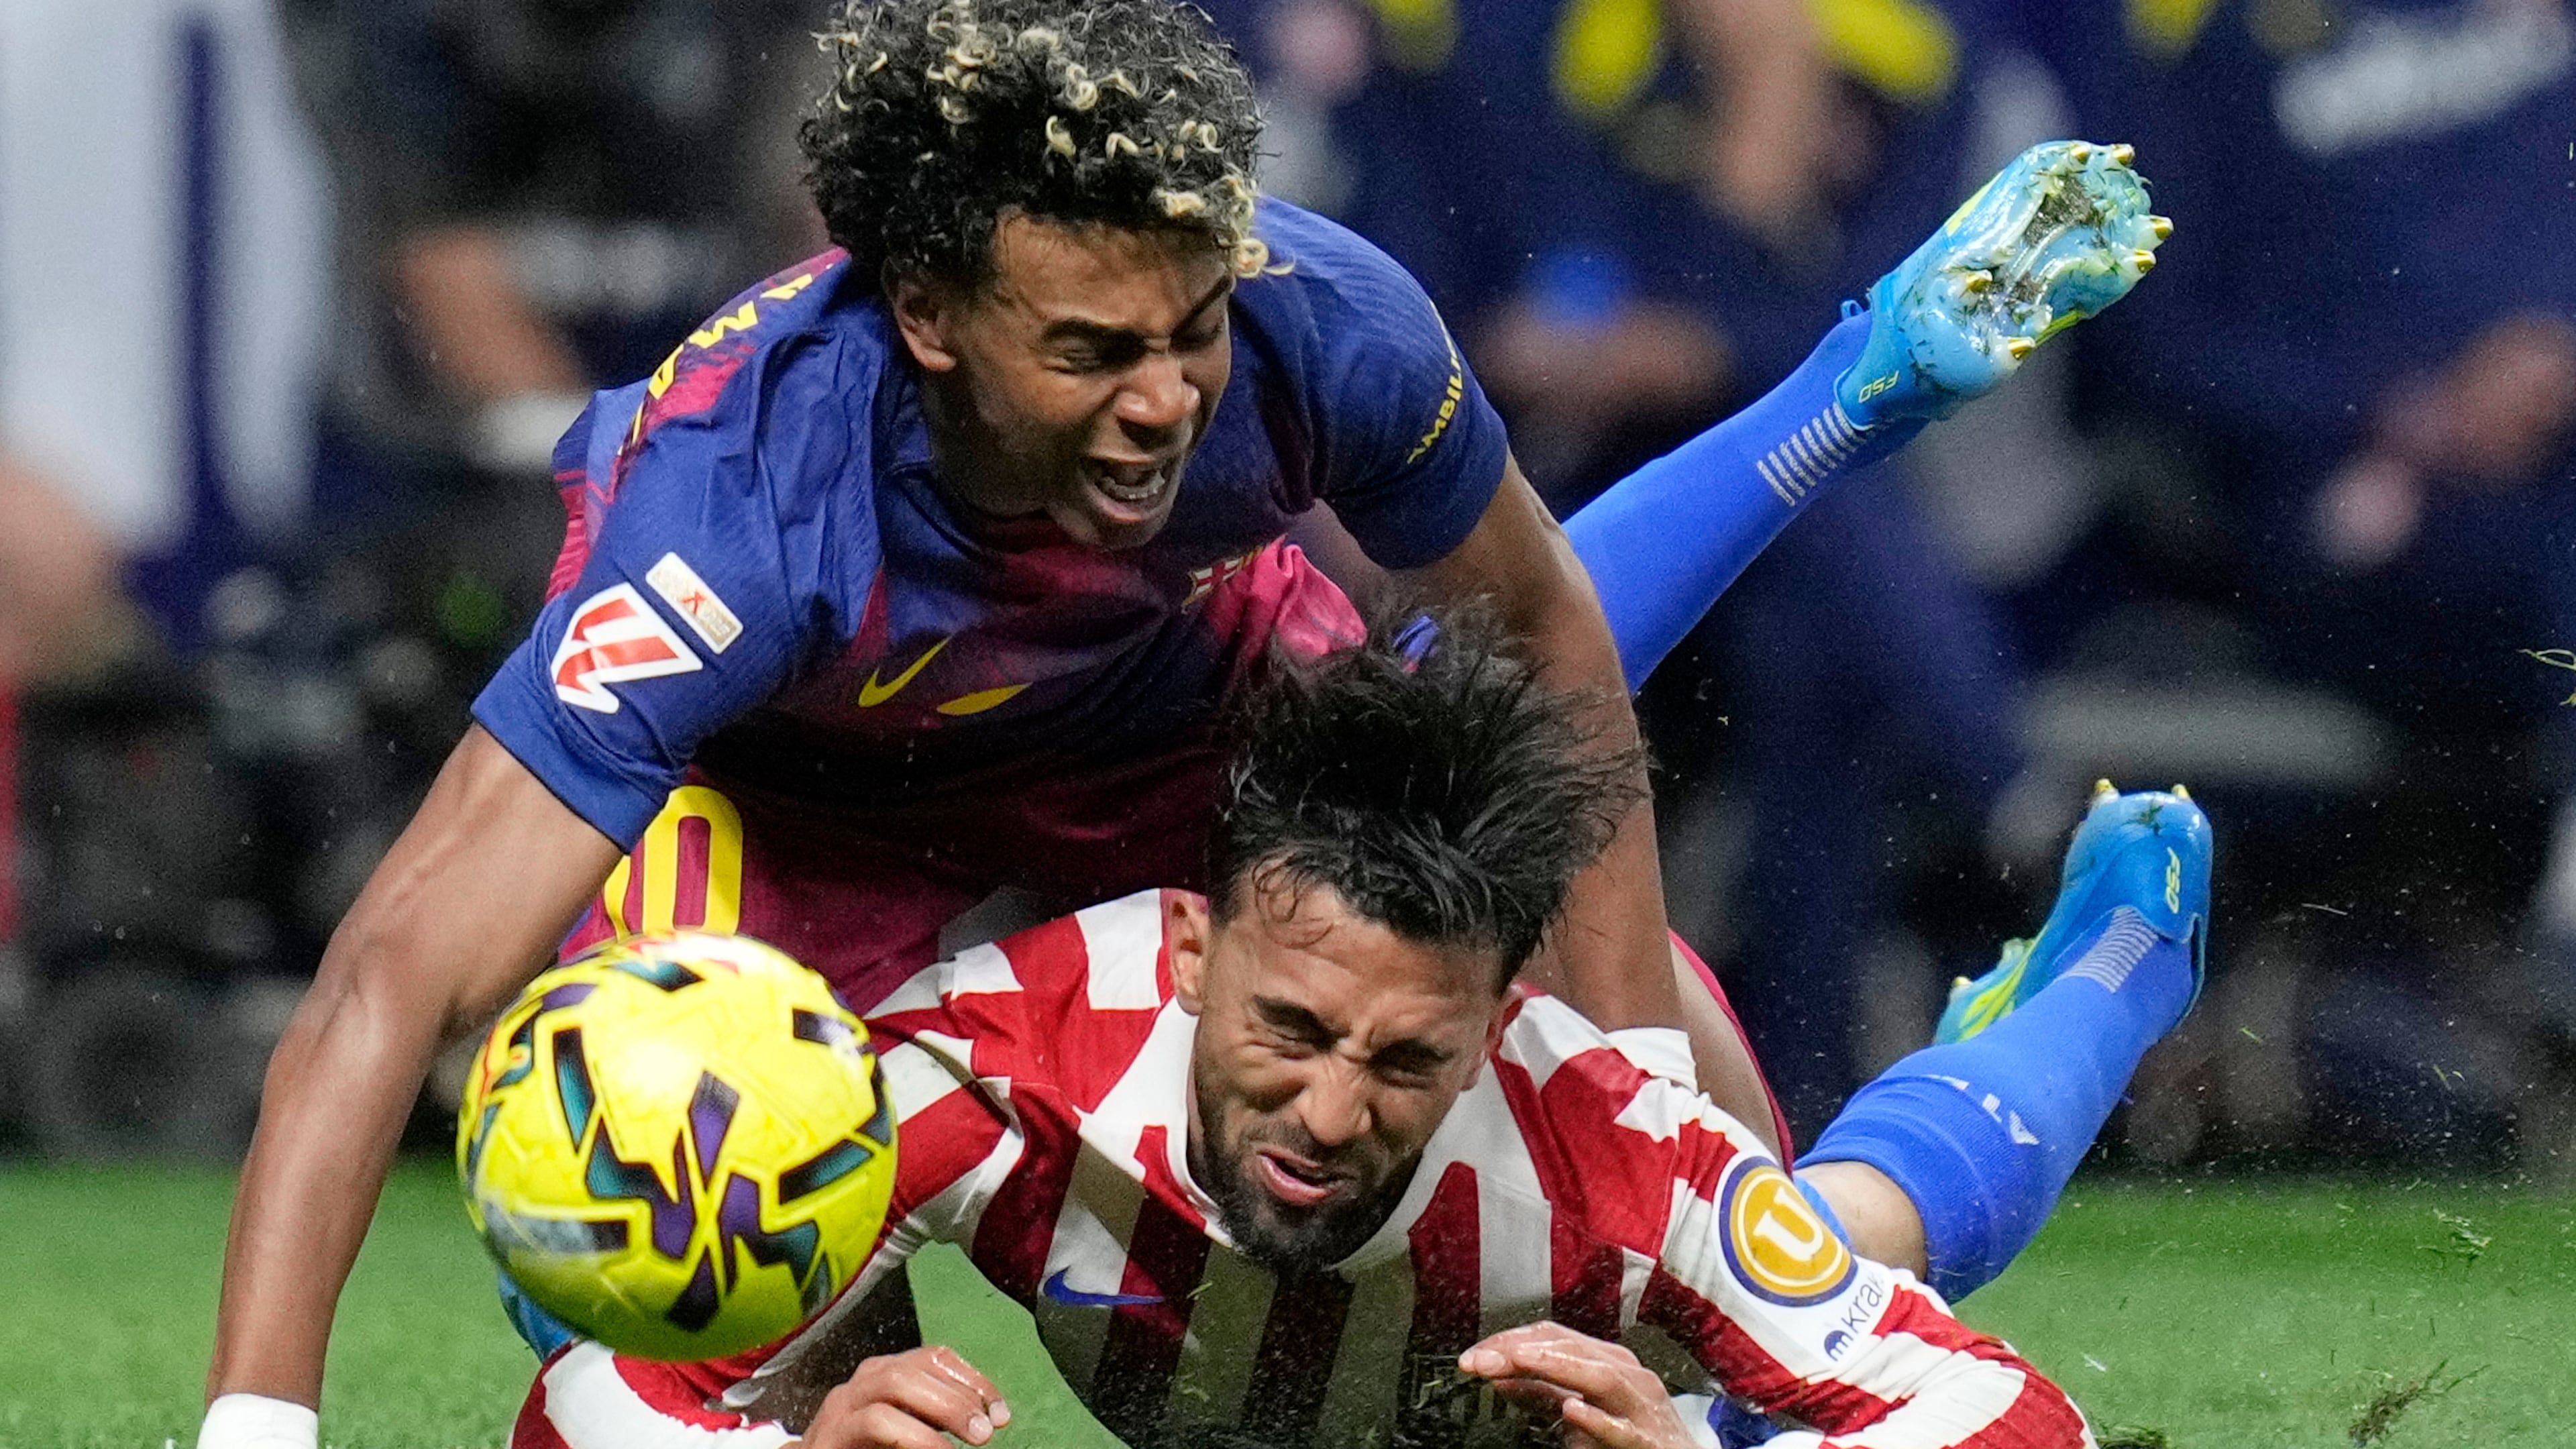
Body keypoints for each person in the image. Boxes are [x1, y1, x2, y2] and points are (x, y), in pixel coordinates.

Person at [197, 0, 2165, 1438]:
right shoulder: (728, 523)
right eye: (1089, 352)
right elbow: (393, 984)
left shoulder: (1321, 324)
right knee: (708, 1264)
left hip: (1166, 724)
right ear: (927, 319)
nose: (1164, 401)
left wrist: (1622, 1097)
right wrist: (260, 1435)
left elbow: (1542, 653)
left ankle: (1864, 436)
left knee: (1717, 1194)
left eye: (1188, 334)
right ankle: (1858, 405)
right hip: (794, 807)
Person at [508, 621, 2128, 1449]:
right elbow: (589, 1395)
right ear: (1196, 945)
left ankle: (2116, 972)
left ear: (1495, 1026)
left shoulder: (1606, 1144)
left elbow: (2023, 1422)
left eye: (1408, 1060)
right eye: (1289, 1029)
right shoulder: (986, 1071)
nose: (1334, 1112)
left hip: (1615, 1294)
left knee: (1858, 1232)